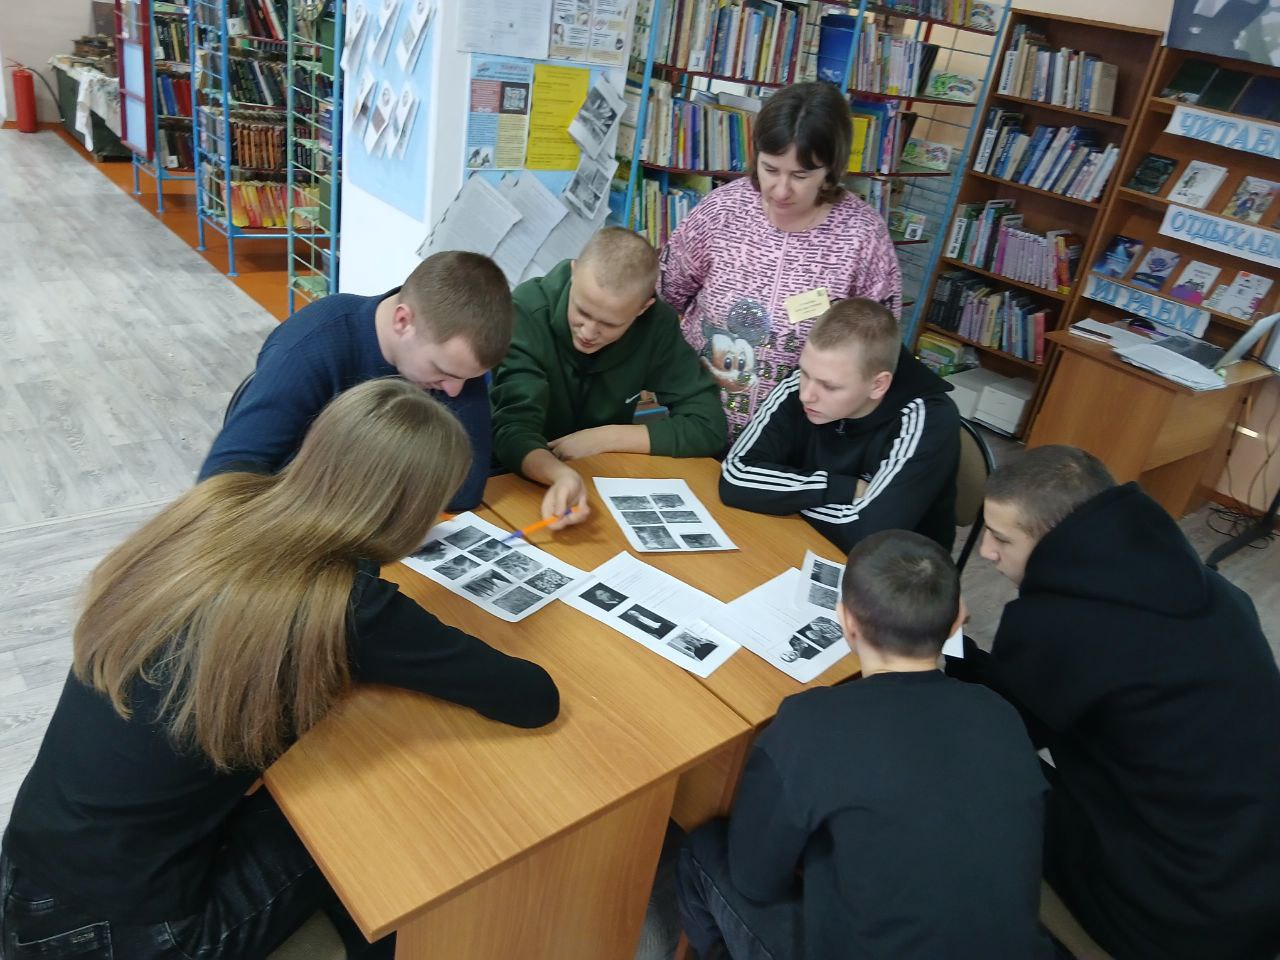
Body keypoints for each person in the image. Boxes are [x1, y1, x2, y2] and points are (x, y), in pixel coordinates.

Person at [0, 379, 560, 960]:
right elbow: (532, 697)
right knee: (372, 823)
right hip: (119, 935)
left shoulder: (221, 502)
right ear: (412, 510)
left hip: (25, 867)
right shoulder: (347, 604)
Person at [951, 445, 1280, 960]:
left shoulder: (1057, 626)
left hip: (1172, 912)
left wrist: (941, 645)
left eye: (1002, 538)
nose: (987, 552)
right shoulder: (1214, 592)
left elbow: (995, 731)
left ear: (1054, 541)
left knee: (959, 770)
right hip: (1254, 884)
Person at [676, 530, 1054, 960]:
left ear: (846, 622)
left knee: (703, 849)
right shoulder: (1000, 714)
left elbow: (755, 880)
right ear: (957, 622)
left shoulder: (811, 723)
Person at [659, 81, 902, 440]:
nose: (781, 189)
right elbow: (667, 295)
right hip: (695, 420)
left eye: (801, 176)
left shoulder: (862, 237)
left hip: (798, 440)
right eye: (770, 169)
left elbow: (875, 347)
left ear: (831, 169)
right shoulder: (722, 211)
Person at [198, 251, 512, 511]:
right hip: (296, 522)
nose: (455, 391)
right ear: (403, 321)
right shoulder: (309, 348)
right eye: (443, 371)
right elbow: (221, 483)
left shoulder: (454, 361)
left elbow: (465, 490)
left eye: (469, 378)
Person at [492, 227, 726, 527]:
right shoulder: (526, 310)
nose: (588, 332)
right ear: (574, 273)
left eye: (610, 324)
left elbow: (708, 425)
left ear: (643, 308)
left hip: (601, 478)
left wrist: (606, 438)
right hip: (514, 479)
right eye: (582, 311)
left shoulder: (656, 326)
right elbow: (512, 430)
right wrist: (561, 475)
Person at [719, 298, 959, 552]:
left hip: (896, 567)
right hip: (802, 541)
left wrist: (775, 496)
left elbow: (868, 533)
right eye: (804, 373)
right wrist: (842, 488)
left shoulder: (928, 420)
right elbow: (735, 476)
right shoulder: (807, 382)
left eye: (830, 386)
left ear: (878, 385)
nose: (806, 395)